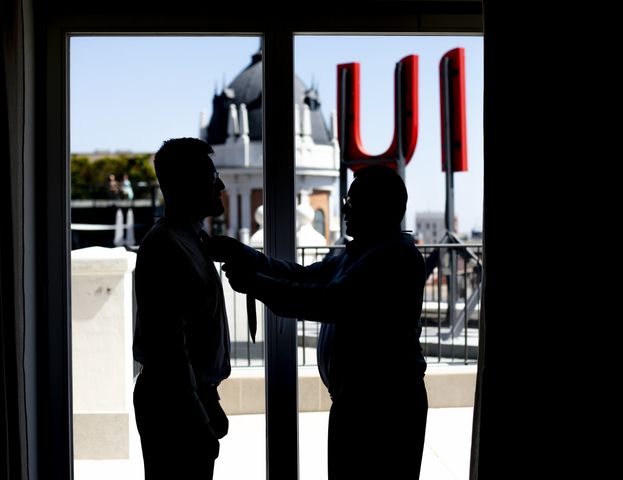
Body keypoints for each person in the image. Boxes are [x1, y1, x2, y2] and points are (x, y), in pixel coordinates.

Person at [211, 165, 428, 479]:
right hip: (358, 403)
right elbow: (305, 276)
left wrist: (254, 283)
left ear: (381, 207)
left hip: (384, 409)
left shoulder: (394, 256)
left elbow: (326, 301)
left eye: (351, 204)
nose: (344, 212)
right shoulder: (360, 252)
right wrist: (249, 257)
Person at [132, 137, 230, 480]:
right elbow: (169, 351)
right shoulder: (166, 248)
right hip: (173, 405)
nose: (219, 184)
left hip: (189, 398)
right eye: (211, 176)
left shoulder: (192, 240)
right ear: (184, 185)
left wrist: (210, 400)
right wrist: (198, 417)